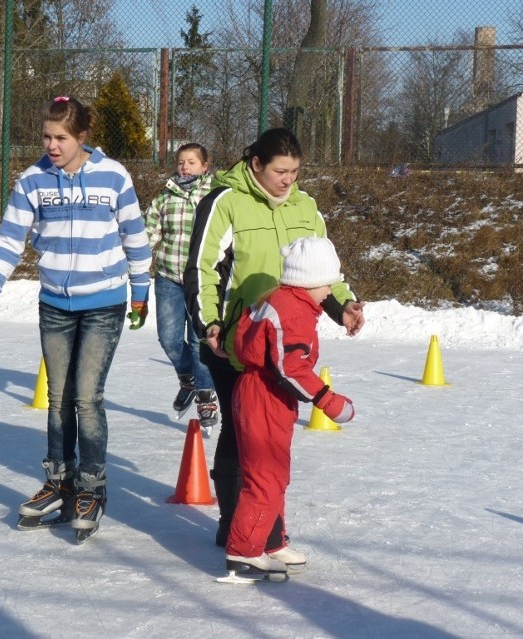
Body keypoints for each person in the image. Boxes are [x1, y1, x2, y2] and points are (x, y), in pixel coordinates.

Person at [0, 96, 152, 542]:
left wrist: (141, 291)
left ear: (81, 137)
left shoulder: (113, 176)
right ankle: (59, 481)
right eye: (47, 137)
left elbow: (135, 234)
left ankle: (91, 485)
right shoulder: (33, 180)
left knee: (86, 397)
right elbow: (11, 238)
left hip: (104, 300)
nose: (52, 145)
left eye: (61, 138)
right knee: (57, 397)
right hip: (54, 303)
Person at [184, 127, 365, 555]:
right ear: (256, 166)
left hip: (282, 343)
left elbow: (323, 270)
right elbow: (201, 269)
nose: (288, 179)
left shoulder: (306, 206)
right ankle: (236, 528)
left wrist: (344, 307)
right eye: (280, 170)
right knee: (239, 433)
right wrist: (210, 325)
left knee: (271, 443)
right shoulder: (225, 202)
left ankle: (267, 532)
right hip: (235, 342)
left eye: (295, 171)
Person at [224, 236, 355, 577]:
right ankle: (244, 550)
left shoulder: (281, 300)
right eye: (327, 283)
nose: (329, 292)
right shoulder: (291, 310)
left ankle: (271, 540)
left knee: (275, 473)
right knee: (266, 475)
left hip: (265, 395)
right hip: (264, 397)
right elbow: (291, 367)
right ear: (309, 280)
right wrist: (329, 401)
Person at [143, 143, 218, 431]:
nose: (185, 167)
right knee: (169, 339)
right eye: (181, 162)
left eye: (191, 162)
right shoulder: (165, 196)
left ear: (204, 166)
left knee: (201, 342)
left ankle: (205, 394)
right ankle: (187, 378)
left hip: (202, 280)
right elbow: (149, 233)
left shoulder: (214, 195)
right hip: (168, 277)